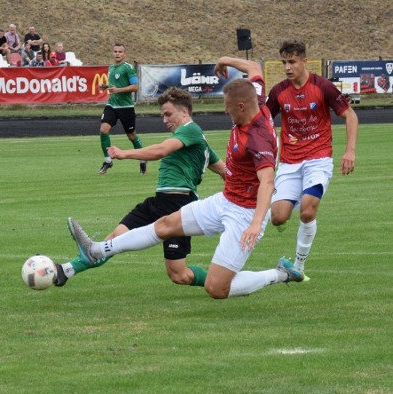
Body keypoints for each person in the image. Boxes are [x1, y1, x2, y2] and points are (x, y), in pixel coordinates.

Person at [67, 58, 307, 300]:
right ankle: (95, 250)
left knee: (217, 289)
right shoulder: (258, 100)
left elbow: (267, 182)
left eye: (228, 106)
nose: (225, 110)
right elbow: (255, 69)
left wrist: (255, 224)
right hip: (225, 200)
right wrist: (226, 61)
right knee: (164, 225)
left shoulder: (258, 138)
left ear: (242, 106)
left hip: (245, 214)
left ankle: (280, 273)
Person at [54, 87, 224, 288]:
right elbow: (225, 171)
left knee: (179, 275)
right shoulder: (197, 141)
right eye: (162, 115)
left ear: (184, 112)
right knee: (116, 237)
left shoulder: (191, 130)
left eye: (168, 114)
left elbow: (162, 150)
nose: (164, 120)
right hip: (159, 201)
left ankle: (227, 282)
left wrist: (124, 154)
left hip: (179, 206)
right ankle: (66, 270)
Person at [265, 40, 359, 274]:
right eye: (284, 62)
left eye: (292, 62)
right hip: (289, 161)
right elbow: (263, 121)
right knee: (278, 218)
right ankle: (286, 204)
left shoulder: (323, 86)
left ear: (304, 61)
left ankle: (298, 266)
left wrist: (350, 150)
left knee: (307, 210)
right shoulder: (278, 91)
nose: (287, 67)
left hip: (318, 158)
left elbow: (350, 116)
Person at [97, 43, 146, 176]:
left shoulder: (128, 68)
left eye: (120, 52)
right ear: (112, 53)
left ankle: (142, 159)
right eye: (115, 51)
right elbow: (114, 86)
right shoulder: (111, 68)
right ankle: (107, 160)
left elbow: (135, 86)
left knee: (131, 136)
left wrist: (118, 90)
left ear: (124, 54)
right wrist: (105, 87)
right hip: (112, 105)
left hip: (126, 107)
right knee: (103, 129)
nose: (117, 54)